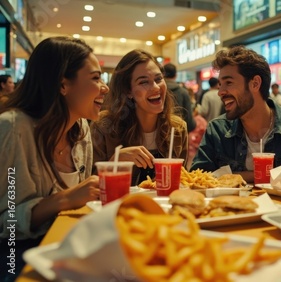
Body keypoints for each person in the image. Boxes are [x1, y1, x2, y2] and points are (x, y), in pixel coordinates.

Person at [0, 37, 107, 280]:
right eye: (95, 78)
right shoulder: (12, 129)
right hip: (16, 256)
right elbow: (4, 222)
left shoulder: (81, 130)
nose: (105, 87)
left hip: (67, 248)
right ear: (62, 85)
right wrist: (65, 198)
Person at [191, 46, 281, 182]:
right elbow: (199, 179)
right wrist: (258, 176)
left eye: (228, 83)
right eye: (220, 84)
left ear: (255, 84)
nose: (220, 92)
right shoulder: (217, 131)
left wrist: (237, 177)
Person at [91, 49, 188, 186]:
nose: (155, 87)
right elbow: (89, 184)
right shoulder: (104, 126)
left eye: (158, 79)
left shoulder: (177, 128)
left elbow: (184, 179)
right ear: (128, 91)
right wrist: (115, 161)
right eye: (143, 82)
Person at [163, 63, 197, 132]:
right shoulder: (183, 92)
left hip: (159, 133)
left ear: (163, 75)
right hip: (179, 133)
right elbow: (189, 122)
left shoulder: (158, 91)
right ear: (176, 75)